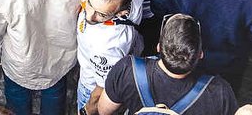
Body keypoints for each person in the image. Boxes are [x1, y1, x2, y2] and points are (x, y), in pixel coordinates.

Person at [97, 13, 237, 115]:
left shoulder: (127, 70)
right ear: (200, 54)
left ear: (158, 47)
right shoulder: (219, 92)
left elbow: (104, 111)